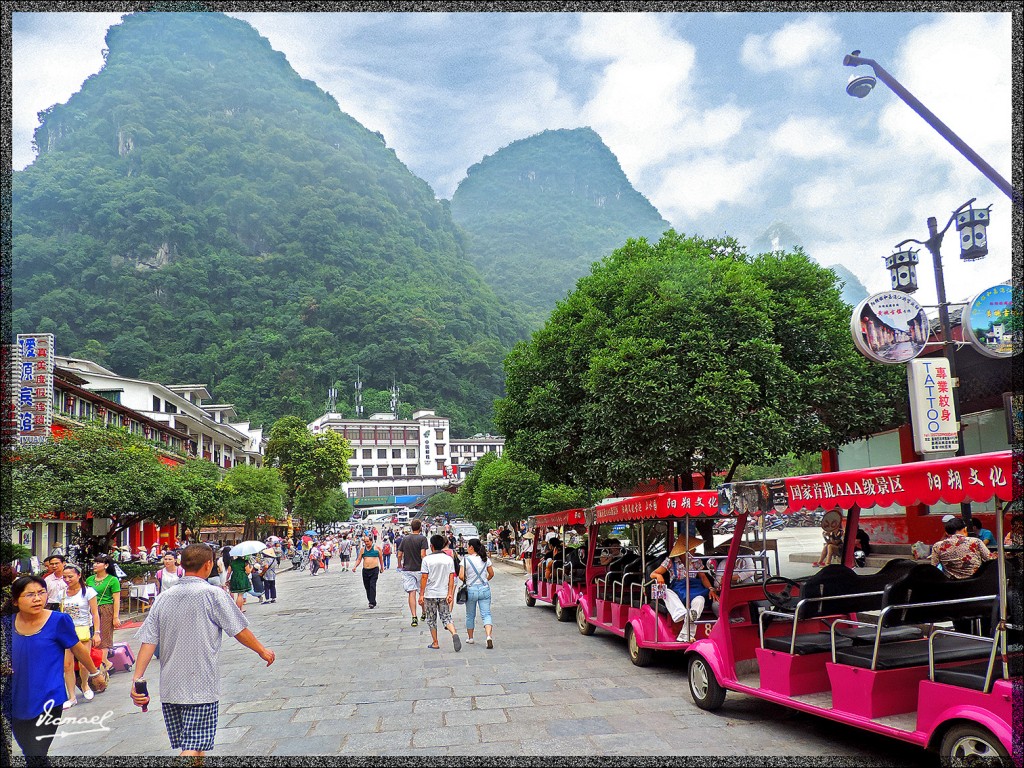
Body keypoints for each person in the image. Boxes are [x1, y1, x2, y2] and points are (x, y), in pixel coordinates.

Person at [129, 544, 275, 758]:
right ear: (208, 565)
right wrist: (262, 650)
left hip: (170, 687)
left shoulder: (163, 598)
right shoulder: (212, 594)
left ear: (181, 564)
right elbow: (238, 630)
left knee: (195, 746)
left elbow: (148, 641)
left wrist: (137, 678)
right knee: (192, 748)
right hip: (200, 685)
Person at [3, 575, 107, 763]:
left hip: (49, 698)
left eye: (41, 593)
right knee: (29, 753)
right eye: (30, 595)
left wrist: (95, 673)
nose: (37, 598)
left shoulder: (59, 620)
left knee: (36, 752)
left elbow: (77, 648)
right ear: (16, 601)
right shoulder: (5, 624)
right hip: (14, 699)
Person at [651, 536, 717, 643]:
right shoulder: (670, 561)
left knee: (700, 600)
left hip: (694, 590)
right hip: (678, 591)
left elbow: (703, 577)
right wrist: (659, 576)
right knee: (665, 591)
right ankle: (682, 614)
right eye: (693, 548)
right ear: (684, 551)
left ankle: (686, 633)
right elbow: (653, 573)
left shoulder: (696, 561)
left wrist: (710, 588)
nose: (695, 550)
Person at [59, 564, 101, 707]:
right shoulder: (62, 593)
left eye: (70, 576)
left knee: (84, 664)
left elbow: (95, 614)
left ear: (79, 576)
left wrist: (97, 632)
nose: (67, 579)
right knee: (67, 665)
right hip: (67, 632)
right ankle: (71, 696)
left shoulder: (88, 592)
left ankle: (85, 685)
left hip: (83, 630)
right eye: (64, 577)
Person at [420, 535, 462, 652]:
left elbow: (424, 577)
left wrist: (421, 594)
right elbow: (451, 578)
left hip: (430, 594)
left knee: (431, 619)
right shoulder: (448, 559)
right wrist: (450, 593)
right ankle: (453, 633)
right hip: (443, 593)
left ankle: (435, 642)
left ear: (431, 546)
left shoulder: (426, 560)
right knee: (446, 617)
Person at [85, 554, 121, 671]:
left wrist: (115, 617)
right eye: (94, 562)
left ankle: (103, 663)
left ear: (106, 565)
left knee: (104, 636)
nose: (95, 565)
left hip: (106, 609)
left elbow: (116, 599)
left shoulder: (112, 580)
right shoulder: (89, 579)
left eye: (98, 563)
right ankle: (104, 662)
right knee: (92, 636)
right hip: (91, 609)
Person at [459, 538, 495, 648]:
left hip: (471, 589)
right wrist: (484, 581)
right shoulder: (485, 559)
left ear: (471, 547)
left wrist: (467, 581)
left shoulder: (465, 560)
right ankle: (488, 636)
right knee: (486, 614)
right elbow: (491, 574)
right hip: (484, 589)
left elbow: (461, 576)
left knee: (470, 615)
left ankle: (470, 638)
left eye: (468, 546)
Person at [398, 519, 429, 626]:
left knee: (411, 593)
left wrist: (399, 564)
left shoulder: (405, 539)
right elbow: (422, 554)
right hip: (420, 569)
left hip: (407, 570)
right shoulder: (422, 539)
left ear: (411, 527)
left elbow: (399, 554)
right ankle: (424, 612)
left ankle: (414, 616)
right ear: (420, 527)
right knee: (422, 592)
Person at [354, 535, 381, 608]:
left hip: (374, 569)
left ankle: (372, 602)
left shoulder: (376, 548)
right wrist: (355, 566)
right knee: (367, 586)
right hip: (365, 570)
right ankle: (371, 600)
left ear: (371, 541)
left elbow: (381, 558)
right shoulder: (363, 550)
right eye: (365, 541)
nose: (366, 543)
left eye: (367, 541)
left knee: (372, 585)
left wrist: (382, 567)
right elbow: (359, 559)